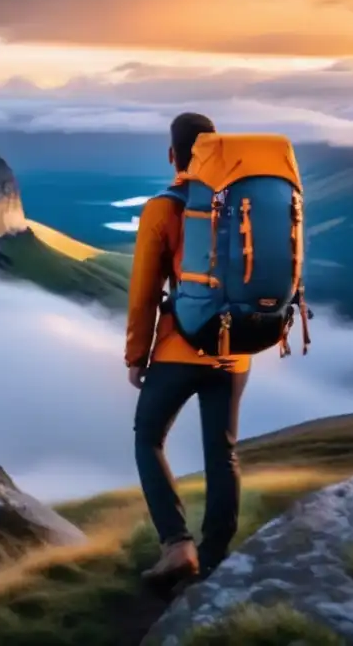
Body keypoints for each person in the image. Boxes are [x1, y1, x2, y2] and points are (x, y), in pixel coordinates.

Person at [125, 112, 250, 587]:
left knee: (147, 437)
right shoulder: (243, 203)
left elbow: (143, 290)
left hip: (180, 349)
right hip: (235, 350)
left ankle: (178, 546)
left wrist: (137, 355)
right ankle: (216, 559)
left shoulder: (165, 206)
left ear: (173, 153)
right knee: (223, 454)